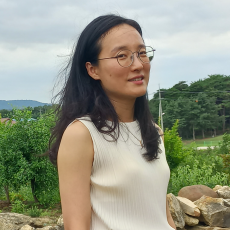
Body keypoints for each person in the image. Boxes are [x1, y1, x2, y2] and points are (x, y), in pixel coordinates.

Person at [49, 14, 176, 230]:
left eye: (142, 53)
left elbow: (162, 217)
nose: (138, 64)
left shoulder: (153, 131)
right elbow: (76, 225)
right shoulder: (82, 134)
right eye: (122, 56)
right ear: (93, 70)